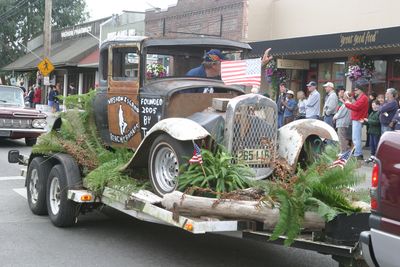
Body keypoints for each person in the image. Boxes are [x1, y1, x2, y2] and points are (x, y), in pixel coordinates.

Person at [344, 84, 369, 160]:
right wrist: (349, 100)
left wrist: (347, 104)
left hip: (358, 119)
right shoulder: (361, 97)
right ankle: (358, 153)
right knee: (355, 137)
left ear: (360, 90)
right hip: (357, 118)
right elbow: (355, 105)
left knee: (356, 138)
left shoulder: (363, 97)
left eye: (356, 90)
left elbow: (356, 108)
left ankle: (358, 154)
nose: (355, 91)